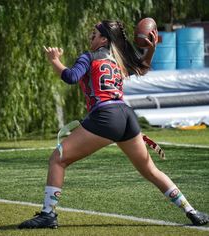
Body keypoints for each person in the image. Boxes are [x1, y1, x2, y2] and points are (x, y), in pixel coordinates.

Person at [18, 20, 208, 229]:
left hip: (106, 116)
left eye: (94, 33)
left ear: (104, 39)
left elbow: (71, 77)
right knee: (150, 170)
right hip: (126, 116)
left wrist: (54, 60)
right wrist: (151, 49)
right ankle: (191, 210)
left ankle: (47, 214)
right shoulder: (117, 58)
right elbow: (143, 69)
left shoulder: (89, 56)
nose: (91, 36)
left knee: (57, 160)